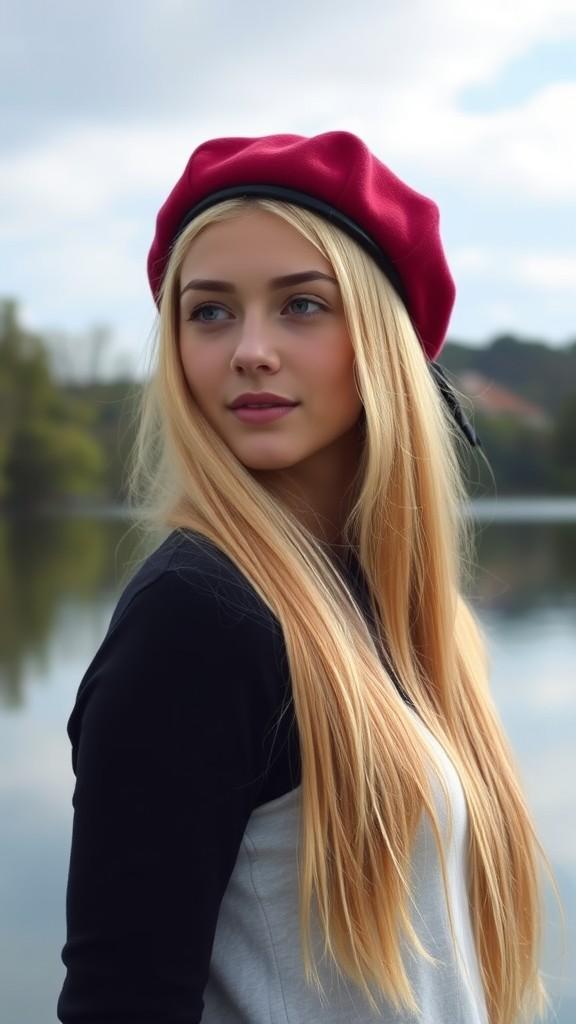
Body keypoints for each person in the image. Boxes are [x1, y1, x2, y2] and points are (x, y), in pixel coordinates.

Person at [57, 131, 550, 1024]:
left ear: (384, 343)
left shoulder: (403, 619)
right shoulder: (198, 618)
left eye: (301, 306)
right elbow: (118, 1001)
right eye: (209, 312)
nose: (249, 349)